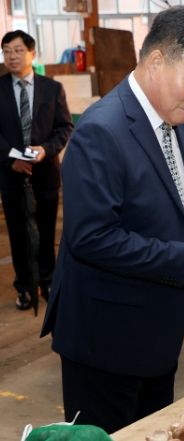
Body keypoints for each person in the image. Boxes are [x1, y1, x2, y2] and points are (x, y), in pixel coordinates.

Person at [40, 6, 184, 433]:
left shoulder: (175, 119)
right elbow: (92, 238)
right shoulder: (101, 130)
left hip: (157, 333)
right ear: (157, 61)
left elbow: (182, 200)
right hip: (108, 340)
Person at [0, 30, 73, 310]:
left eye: (18, 50)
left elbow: (64, 127)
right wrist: (11, 159)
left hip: (45, 175)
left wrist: (45, 150)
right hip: (11, 175)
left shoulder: (52, 89)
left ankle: (47, 280)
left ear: (32, 53)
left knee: (45, 230)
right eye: (7, 51)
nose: (12, 56)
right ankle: (24, 286)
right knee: (18, 233)